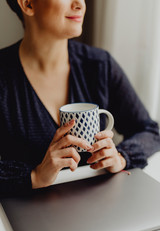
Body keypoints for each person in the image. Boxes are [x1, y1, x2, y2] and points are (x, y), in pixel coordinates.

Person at [0, 0, 160, 196]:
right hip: (26, 214)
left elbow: (150, 131)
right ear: (28, 4)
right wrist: (35, 176)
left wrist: (120, 156)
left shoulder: (100, 65)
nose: (80, 5)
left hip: (99, 205)